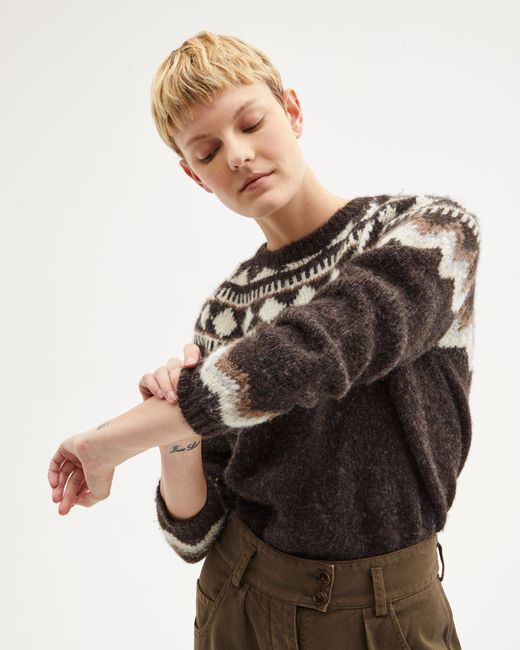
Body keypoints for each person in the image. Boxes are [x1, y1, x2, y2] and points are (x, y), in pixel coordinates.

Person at [49, 30, 480, 649]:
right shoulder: (224, 314)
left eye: (251, 123)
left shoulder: (430, 233)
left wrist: (115, 439)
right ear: (196, 176)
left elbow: (325, 346)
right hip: (243, 603)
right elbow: (194, 534)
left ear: (292, 111)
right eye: (207, 151)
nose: (238, 155)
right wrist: (176, 433)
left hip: (388, 611)